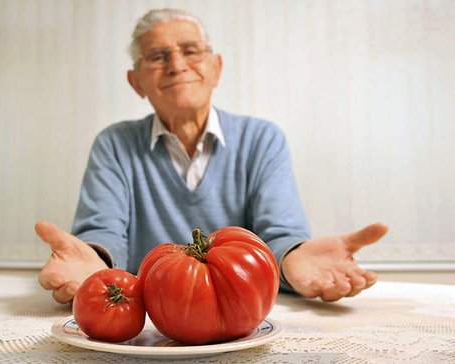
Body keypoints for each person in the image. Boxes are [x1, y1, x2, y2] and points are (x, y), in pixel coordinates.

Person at [35, 8, 388, 304]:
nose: (176, 65)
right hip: (150, 313)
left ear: (216, 68)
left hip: (240, 311)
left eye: (190, 50)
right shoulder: (114, 143)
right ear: (136, 82)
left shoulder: (261, 139)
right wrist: (94, 263)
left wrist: (293, 258)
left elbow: (279, 233)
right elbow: (103, 232)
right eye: (157, 56)